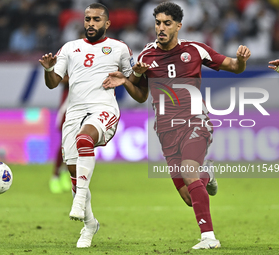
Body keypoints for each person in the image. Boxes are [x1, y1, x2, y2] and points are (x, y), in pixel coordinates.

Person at [103, 2, 251, 250]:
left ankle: (208, 237)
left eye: (167, 23)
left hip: (195, 121)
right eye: (158, 23)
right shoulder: (146, 56)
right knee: (188, 196)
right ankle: (208, 174)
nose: (161, 28)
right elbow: (140, 96)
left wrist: (242, 60)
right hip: (166, 130)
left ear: (178, 26)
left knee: (189, 170)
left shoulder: (195, 50)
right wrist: (127, 81)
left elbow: (235, 67)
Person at [38, 3, 134, 248]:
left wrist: (130, 80)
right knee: (73, 170)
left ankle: (79, 200)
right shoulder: (70, 48)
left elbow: (135, 82)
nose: (91, 23)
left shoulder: (119, 48)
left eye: (96, 19)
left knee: (84, 139)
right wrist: (49, 69)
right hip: (75, 111)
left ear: (107, 23)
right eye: (88, 19)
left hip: (104, 109)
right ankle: (90, 225)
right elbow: (53, 83)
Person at [49, 75, 72, 194]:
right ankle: (55, 176)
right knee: (65, 143)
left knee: (76, 144)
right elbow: (60, 78)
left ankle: (65, 172)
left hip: (83, 107)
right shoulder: (70, 58)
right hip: (67, 107)